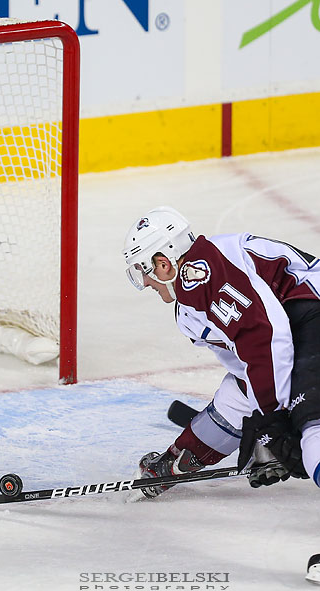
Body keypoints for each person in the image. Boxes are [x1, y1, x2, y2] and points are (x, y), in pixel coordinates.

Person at [121, 206, 320, 498]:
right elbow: (248, 373)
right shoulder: (189, 309)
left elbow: (264, 337)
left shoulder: (202, 274)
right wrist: (266, 423)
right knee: (239, 397)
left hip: (311, 317)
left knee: (313, 432)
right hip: (300, 332)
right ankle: (174, 463)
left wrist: (273, 420)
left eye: (143, 271)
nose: (146, 282)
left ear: (163, 264)